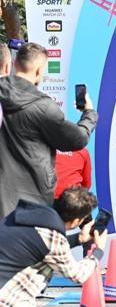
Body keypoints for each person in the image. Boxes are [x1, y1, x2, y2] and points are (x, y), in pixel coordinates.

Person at [0, 43, 98, 218]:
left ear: (14, 65)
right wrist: (89, 114)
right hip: (30, 202)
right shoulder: (43, 107)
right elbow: (78, 140)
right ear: (39, 70)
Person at [0, 188, 107, 307]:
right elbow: (77, 275)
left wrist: (79, 239)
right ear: (76, 221)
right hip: (4, 291)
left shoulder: (29, 214)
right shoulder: (54, 238)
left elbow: (41, 244)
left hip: (6, 279)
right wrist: (98, 252)